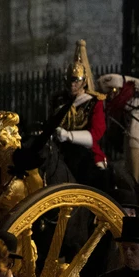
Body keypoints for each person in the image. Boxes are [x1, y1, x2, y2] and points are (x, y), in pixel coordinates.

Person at [53, 44, 108, 192]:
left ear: (84, 81)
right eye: (70, 80)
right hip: (61, 150)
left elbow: (96, 134)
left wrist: (68, 135)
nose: (73, 84)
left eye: (76, 81)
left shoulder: (94, 102)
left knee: (99, 179)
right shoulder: (59, 100)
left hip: (86, 150)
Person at [99, 73, 139, 191]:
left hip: (136, 137)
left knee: (135, 180)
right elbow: (104, 81)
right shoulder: (133, 86)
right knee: (133, 180)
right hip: (134, 136)